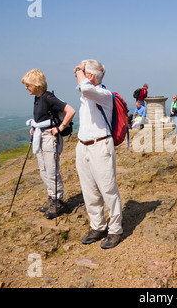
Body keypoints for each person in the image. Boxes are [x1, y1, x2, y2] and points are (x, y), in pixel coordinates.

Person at [73, 59, 123, 249]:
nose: (77, 73)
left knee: (108, 189)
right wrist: (81, 69)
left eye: (81, 71)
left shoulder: (103, 94)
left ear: (90, 76)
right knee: (89, 189)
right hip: (83, 146)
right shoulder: (87, 95)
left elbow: (84, 88)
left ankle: (115, 229)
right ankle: (98, 226)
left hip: (101, 146)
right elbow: (84, 89)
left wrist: (79, 68)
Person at [21, 68, 76, 219]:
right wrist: (34, 127)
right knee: (43, 170)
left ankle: (58, 201)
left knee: (52, 171)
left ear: (36, 84)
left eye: (28, 85)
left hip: (50, 138)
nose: (26, 88)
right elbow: (42, 117)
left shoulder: (48, 97)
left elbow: (70, 111)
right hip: (41, 135)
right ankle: (52, 198)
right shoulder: (38, 98)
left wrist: (60, 128)